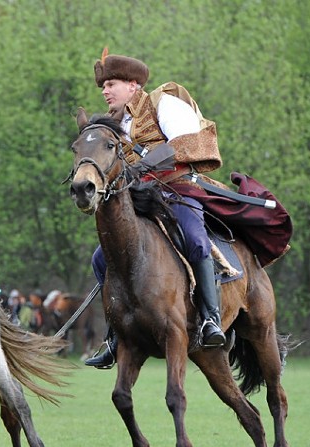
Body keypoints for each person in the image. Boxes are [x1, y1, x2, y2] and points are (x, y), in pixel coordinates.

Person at [84, 49, 226, 369]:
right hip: (142, 200)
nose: (105, 91)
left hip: (179, 190)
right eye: (103, 86)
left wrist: (143, 164)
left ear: (133, 85)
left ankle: (210, 320)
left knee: (195, 239)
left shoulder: (164, 101)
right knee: (100, 259)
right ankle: (115, 335)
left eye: (111, 84)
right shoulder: (115, 124)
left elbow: (185, 143)